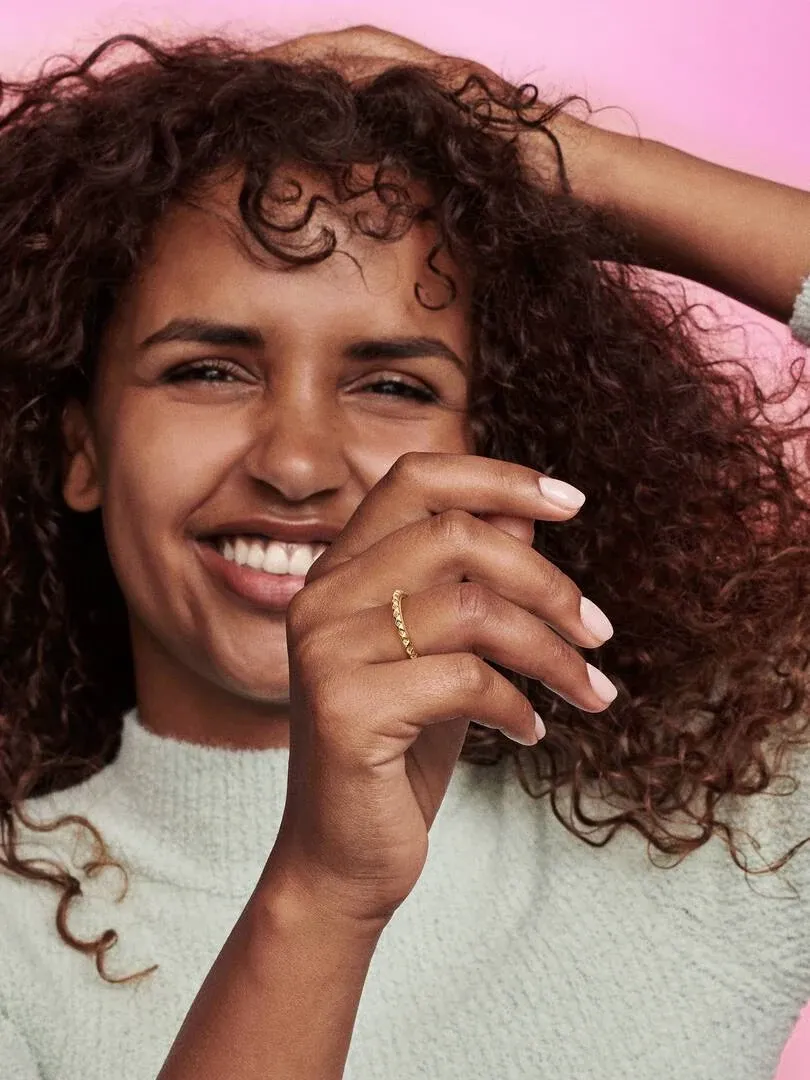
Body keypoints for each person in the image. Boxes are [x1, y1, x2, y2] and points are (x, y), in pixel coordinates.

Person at [0, 24, 808, 1080]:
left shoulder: (722, 811)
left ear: (490, 453)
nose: (296, 464)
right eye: (207, 371)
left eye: (393, 385)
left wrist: (569, 164)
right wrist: (325, 889)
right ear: (82, 448)